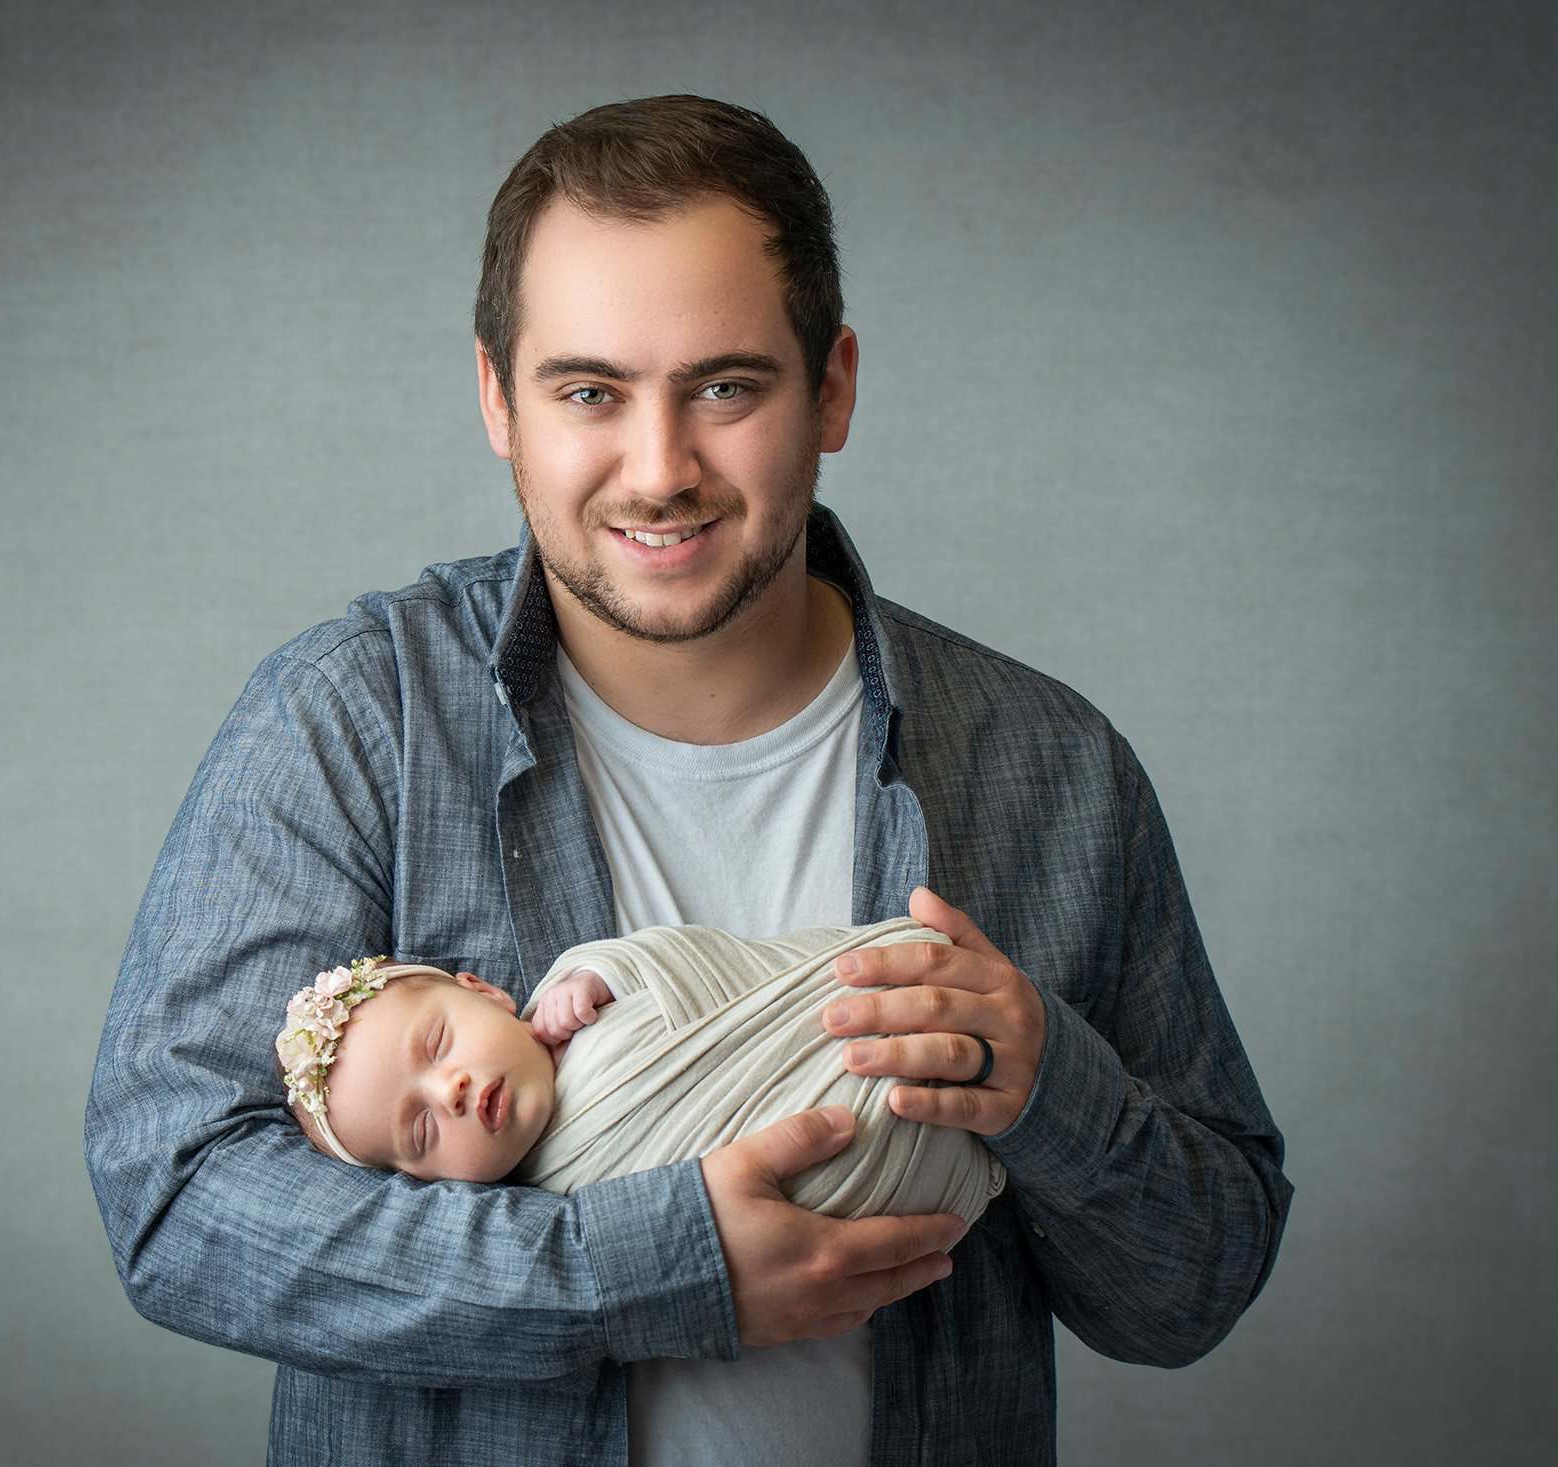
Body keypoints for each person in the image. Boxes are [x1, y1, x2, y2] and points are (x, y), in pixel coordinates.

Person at [85, 94, 1292, 1465]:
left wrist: (1046, 1084)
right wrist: (645, 1263)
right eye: (589, 391)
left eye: (727, 386)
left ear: (831, 386)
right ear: (499, 399)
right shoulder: (355, 716)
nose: (659, 471)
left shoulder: (1054, 768)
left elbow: (1194, 1287)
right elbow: (178, 1202)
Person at [277, 919, 1008, 1227]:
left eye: (437, 1043)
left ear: (485, 991)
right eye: (423, 1126)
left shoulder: (579, 996)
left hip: (838, 1020)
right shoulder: (556, 1208)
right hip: (880, 1167)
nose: (452, 1089)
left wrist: (599, 972)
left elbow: (703, 959)